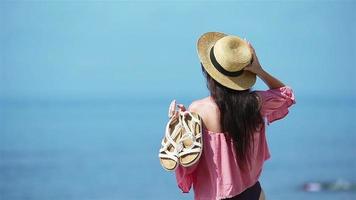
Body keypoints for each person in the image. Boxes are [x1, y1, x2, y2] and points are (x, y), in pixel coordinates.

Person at [174, 32, 296, 200]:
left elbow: (187, 164)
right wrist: (259, 70)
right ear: (242, 75)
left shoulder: (198, 109)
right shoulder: (255, 103)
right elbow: (286, 95)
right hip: (253, 193)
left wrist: (180, 125)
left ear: (207, 72)